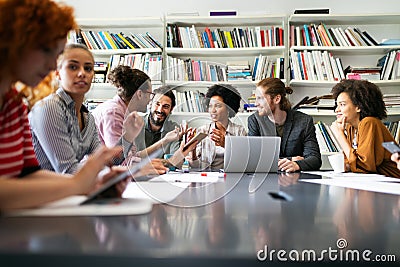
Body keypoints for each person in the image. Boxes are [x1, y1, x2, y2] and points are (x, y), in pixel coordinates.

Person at [0, 0, 127, 210]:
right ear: (13, 40)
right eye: (46, 50)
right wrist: (78, 185)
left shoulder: (14, 104)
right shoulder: (46, 107)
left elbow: (28, 174)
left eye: (56, 55)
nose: (51, 65)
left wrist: (92, 186)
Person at [28, 43, 156, 174]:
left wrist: (127, 136)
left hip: (74, 191)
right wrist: (131, 172)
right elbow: (69, 171)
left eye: (88, 68)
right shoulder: (50, 108)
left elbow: (105, 162)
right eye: (73, 67)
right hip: (49, 192)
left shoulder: (87, 118)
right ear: (58, 74)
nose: (82, 73)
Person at [248, 77, 321, 172]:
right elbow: (253, 159)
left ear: (277, 99)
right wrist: (291, 160)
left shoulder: (304, 121)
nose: (255, 104)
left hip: (296, 181)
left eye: (260, 98)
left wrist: (296, 165)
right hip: (266, 181)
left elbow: (315, 159)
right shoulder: (254, 120)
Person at [330, 79, 400, 177]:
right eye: (337, 105)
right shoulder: (351, 127)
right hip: (376, 181)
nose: (337, 110)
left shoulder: (369, 123)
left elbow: (364, 166)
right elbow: (351, 162)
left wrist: (340, 136)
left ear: (358, 107)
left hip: (394, 182)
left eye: (342, 105)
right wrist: (346, 165)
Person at [187, 84, 247, 171]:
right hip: (206, 179)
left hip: (230, 178)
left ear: (229, 109)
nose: (213, 110)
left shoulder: (240, 132)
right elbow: (195, 167)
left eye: (218, 106)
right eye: (210, 106)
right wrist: (192, 151)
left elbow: (243, 162)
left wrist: (225, 144)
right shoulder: (202, 131)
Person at [134, 85, 184, 158]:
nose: (160, 110)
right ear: (150, 104)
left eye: (165, 106)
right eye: (157, 104)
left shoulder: (174, 129)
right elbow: (131, 159)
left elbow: (175, 161)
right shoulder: (135, 124)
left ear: (171, 109)